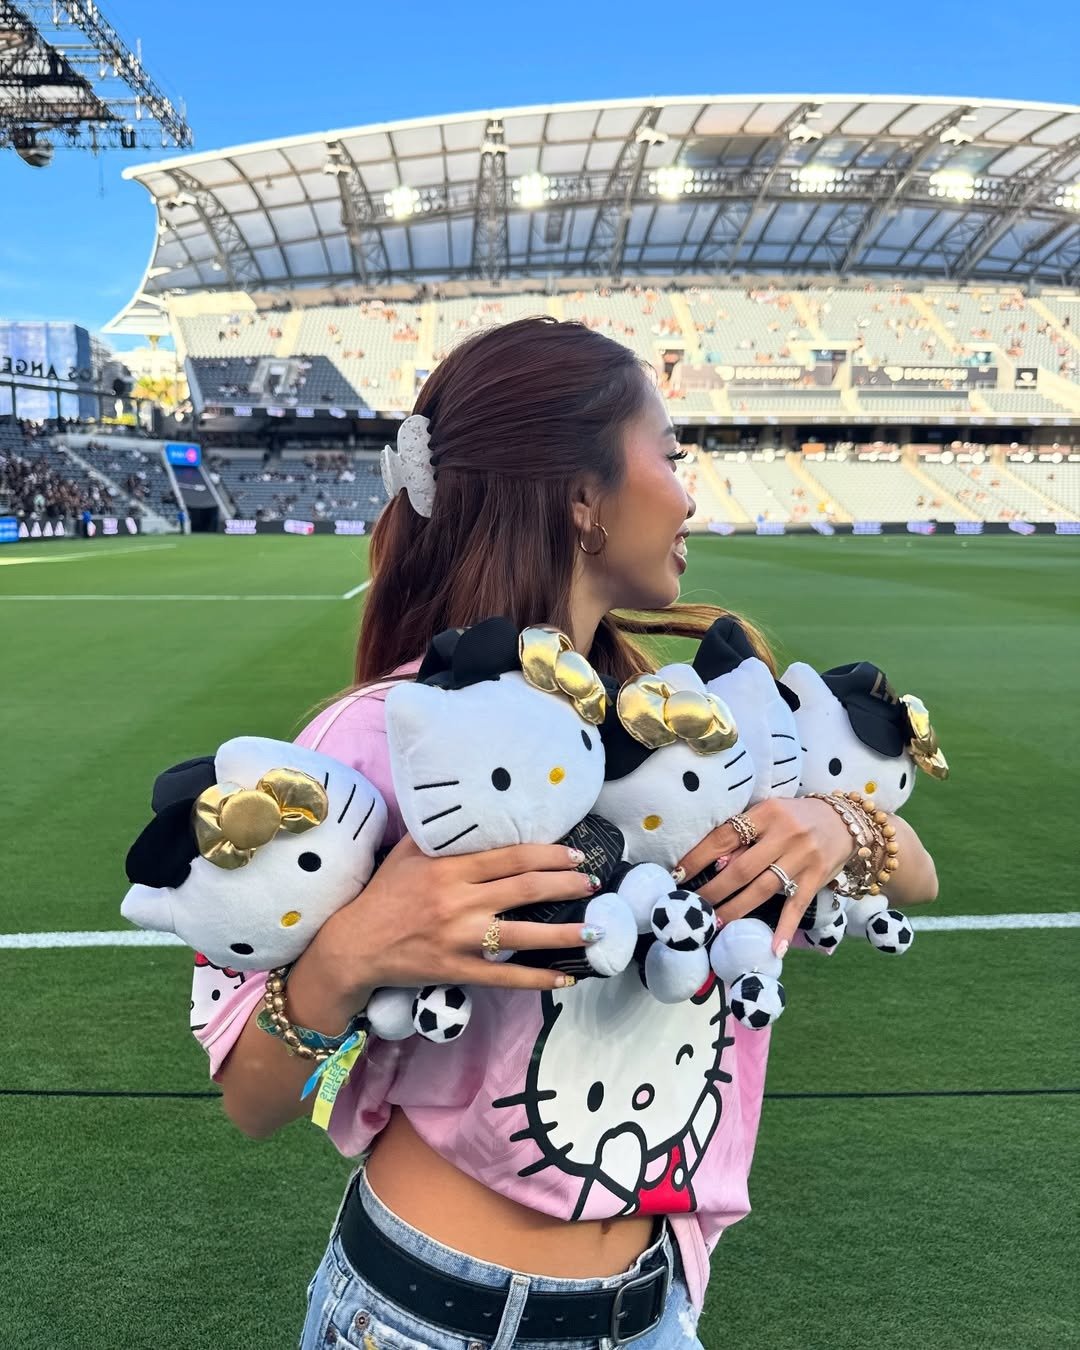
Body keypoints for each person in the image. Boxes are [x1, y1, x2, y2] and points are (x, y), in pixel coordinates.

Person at [201, 318, 939, 1349]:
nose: (688, 495)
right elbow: (252, 1099)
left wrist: (837, 822)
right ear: (582, 499)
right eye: (671, 457)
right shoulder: (381, 738)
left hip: (652, 1307)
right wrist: (357, 952)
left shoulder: (701, 720)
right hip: (422, 1318)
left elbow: (920, 876)